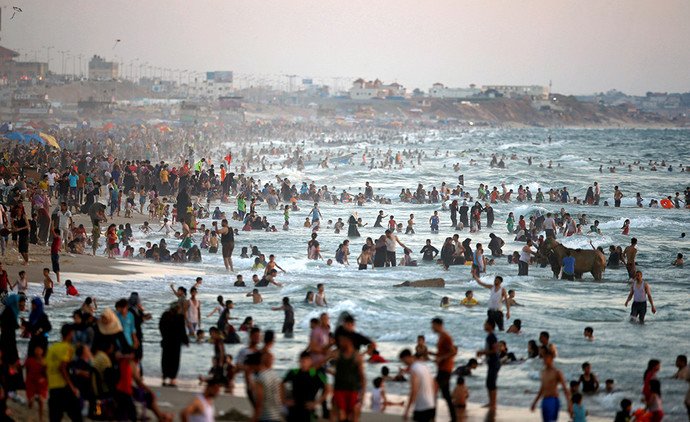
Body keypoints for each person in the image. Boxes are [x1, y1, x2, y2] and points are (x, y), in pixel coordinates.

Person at [46, 324, 82, 422]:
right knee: (76, 416)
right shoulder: (68, 348)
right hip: (64, 387)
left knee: (55, 418)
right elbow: (62, 368)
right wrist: (72, 387)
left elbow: (46, 366)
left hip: (53, 387)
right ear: (70, 334)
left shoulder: (52, 347)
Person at [282, 351, 329, 422]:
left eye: (305, 361)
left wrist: (316, 403)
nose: (303, 363)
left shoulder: (317, 374)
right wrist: (283, 400)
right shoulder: (294, 372)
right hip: (294, 407)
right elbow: (281, 383)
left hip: (308, 409)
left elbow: (328, 389)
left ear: (311, 361)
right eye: (301, 361)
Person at [331, 330, 365, 422]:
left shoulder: (356, 356)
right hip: (341, 388)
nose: (341, 342)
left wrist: (363, 394)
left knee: (350, 415)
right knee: (342, 414)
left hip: (352, 389)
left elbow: (362, 377)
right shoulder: (337, 353)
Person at [530, 349, 571, 422]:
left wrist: (569, 404)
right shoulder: (543, 372)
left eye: (547, 358)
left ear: (552, 359)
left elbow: (565, 389)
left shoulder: (557, 372)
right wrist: (535, 402)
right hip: (544, 400)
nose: (545, 360)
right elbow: (542, 389)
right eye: (544, 358)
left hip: (553, 400)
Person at [430, 317, 456, 422]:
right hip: (442, 368)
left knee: (433, 391)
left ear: (438, 325)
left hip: (445, 369)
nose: (432, 328)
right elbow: (442, 353)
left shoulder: (446, 337)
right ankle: (454, 418)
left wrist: (441, 358)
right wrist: (431, 354)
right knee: (446, 395)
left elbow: (453, 352)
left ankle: (432, 417)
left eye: (433, 325)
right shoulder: (441, 337)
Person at [400, 349, 436, 422]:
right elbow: (433, 384)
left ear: (407, 357)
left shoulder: (414, 369)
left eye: (403, 361)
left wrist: (407, 410)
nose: (404, 363)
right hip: (431, 404)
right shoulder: (424, 366)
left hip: (422, 407)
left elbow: (414, 391)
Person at [159, 302, 189, 387]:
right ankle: (172, 379)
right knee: (175, 360)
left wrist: (164, 336)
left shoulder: (165, 315)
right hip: (176, 342)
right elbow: (182, 330)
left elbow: (161, 327)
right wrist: (186, 341)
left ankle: (164, 377)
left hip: (166, 341)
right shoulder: (180, 317)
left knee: (165, 359)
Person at [476, 319, 500, 411]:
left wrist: (482, 352)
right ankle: (491, 402)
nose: (484, 326)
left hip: (494, 362)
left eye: (485, 324)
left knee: (491, 383)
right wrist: (483, 352)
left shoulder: (492, 336)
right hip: (492, 362)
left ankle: (493, 403)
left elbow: (495, 350)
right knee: (489, 383)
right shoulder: (490, 336)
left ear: (490, 325)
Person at [252, 352, 283, 422]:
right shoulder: (275, 375)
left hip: (265, 417)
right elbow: (280, 396)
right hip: (277, 416)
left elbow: (259, 402)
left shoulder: (260, 378)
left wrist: (254, 419)